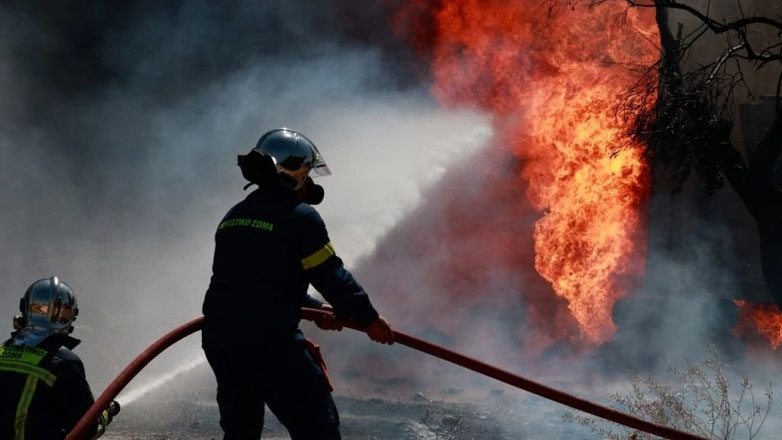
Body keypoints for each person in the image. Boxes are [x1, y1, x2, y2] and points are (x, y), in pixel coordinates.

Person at [202, 128, 394, 440]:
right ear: (297, 173)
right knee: (318, 429)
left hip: (221, 340)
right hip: (270, 342)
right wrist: (370, 319)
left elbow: (257, 283)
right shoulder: (301, 217)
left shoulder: (234, 216)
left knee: (241, 432)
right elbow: (331, 275)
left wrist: (316, 309)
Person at [0, 276, 119, 439]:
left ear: (25, 308)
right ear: (71, 318)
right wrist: (105, 413)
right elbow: (85, 428)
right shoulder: (64, 363)